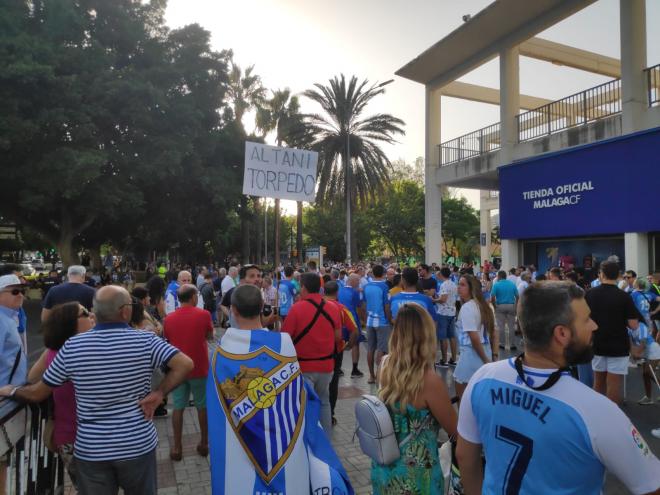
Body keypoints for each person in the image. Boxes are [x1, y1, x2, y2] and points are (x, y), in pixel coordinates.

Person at [456, 282, 660, 495]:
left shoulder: (483, 378)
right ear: (561, 334)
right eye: (586, 320)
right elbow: (652, 486)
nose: (594, 326)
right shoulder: (597, 411)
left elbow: (465, 458)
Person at [0, 285, 194, 495]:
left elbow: (38, 391)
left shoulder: (72, 347)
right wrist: (159, 394)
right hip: (137, 444)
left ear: (96, 311)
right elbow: (185, 364)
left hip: (91, 449)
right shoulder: (146, 340)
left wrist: (10, 391)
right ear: (124, 311)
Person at [207, 285, 352, 494]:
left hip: (239, 455)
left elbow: (217, 412)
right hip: (286, 450)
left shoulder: (219, 356)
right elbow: (298, 398)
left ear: (234, 310)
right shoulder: (284, 345)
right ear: (262, 308)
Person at [371, 304, 457, 495]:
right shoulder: (429, 380)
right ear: (426, 334)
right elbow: (455, 429)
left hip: (385, 467)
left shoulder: (385, 364)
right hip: (418, 473)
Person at [27, 302, 95, 486]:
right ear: (70, 323)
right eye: (85, 313)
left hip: (70, 436)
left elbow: (33, 377)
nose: (91, 315)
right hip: (81, 437)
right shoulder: (86, 350)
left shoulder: (52, 352)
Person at [282, 273, 341, 433]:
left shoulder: (296, 309)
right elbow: (338, 337)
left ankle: (308, 439)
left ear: (304, 287)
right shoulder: (333, 308)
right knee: (324, 401)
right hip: (327, 366)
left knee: (304, 404)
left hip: (303, 366)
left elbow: (285, 338)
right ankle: (326, 440)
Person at [163, 284, 213, 461]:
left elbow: (167, 340)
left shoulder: (168, 319)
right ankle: (204, 443)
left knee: (178, 406)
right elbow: (210, 336)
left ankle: (177, 447)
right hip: (199, 367)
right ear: (193, 297)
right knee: (202, 405)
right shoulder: (204, 315)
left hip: (178, 369)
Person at [586, 260, 639, 405]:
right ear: (619, 276)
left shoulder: (589, 294)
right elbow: (633, 325)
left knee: (598, 383)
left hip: (597, 342)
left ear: (601, 274)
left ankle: (595, 417)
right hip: (618, 345)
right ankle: (612, 421)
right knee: (614, 385)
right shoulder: (624, 296)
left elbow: (584, 320)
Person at [454, 274, 496, 399]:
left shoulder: (467, 308)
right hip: (486, 351)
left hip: (472, 355)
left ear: (472, 288)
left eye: (462, 285)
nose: (458, 287)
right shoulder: (485, 306)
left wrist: (486, 360)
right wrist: (493, 356)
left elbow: (474, 337)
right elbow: (494, 332)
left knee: (462, 397)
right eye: (458, 284)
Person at [324, 281, 358, 425]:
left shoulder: (313, 306)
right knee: (333, 382)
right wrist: (349, 345)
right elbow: (355, 330)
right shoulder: (342, 309)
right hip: (336, 350)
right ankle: (330, 414)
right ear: (337, 293)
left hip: (316, 351)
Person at [363, 265, 392, 385]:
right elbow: (386, 305)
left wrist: (365, 319)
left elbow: (364, 304)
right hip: (382, 321)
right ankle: (380, 375)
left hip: (370, 320)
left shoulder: (366, 286)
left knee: (370, 348)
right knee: (382, 348)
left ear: (373, 273)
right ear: (383, 274)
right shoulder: (384, 286)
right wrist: (389, 319)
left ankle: (371, 375)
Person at [338, 273, 365, 379]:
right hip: (352, 321)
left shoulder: (339, 290)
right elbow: (359, 307)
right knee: (356, 344)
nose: (359, 283)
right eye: (358, 281)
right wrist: (363, 320)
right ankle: (354, 369)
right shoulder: (354, 292)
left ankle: (338, 368)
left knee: (340, 344)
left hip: (341, 320)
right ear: (352, 281)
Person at [434, 267, 459, 368]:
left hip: (443, 313)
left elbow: (443, 299)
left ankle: (444, 360)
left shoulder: (444, 285)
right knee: (452, 336)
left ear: (441, 274)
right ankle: (453, 359)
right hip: (452, 312)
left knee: (442, 337)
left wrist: (433, 300)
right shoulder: (453, 284)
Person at [490, 270, 519, 351]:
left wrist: (494, 306)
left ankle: (502, 344)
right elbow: (517, 296)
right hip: (511, 305)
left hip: (500, 306)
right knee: (511, 326)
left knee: (501, 326)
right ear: (506, 276)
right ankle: (512, 344)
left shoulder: (496, 284)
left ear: (499, 276)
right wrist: (515, 306)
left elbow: (492, 297)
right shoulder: (512, 284)